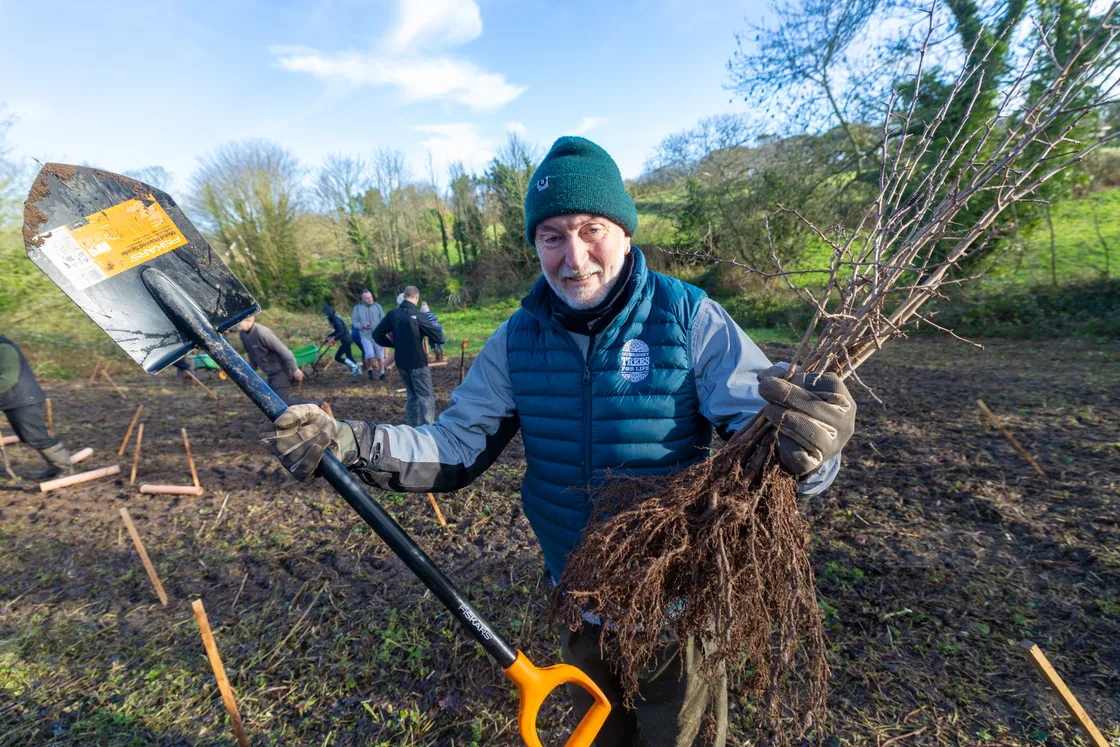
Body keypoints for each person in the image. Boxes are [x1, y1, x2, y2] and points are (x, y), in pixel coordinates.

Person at [266, 136, 856, 746]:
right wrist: (351, 442)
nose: (574, 258)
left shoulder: (689, 319)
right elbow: (455, 445)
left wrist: (815, 455)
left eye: (591, 228)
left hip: (678, 609)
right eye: (552, 236)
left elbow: (772, 447)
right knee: (597, 737)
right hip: (579, 604)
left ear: (625, 232)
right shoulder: (516, 341)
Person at [0, 335, 74, 479]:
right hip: (8, 398)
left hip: (23, 398)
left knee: (34, 436)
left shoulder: (4, 348)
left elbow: (8, 378)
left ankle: (64, 469)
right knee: (27, 436)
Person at [372, 287, 445, 426]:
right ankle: (428, 430)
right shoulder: (418, 316)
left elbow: (377, 335)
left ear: (404, 296)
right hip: (417, 363)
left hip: (401, 363)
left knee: (412, 396)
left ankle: (413, 428)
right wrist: (429, 316)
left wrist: (394, 345)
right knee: (426, 398)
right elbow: (439, 337)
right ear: (416, 297)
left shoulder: (393, 315)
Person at [236, 315, 304, 404]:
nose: (237, 324)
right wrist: (249, 372)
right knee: (274, 402)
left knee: (281, 403)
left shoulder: (262, 333)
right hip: (270, 372)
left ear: (250, 320)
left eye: (239, 321)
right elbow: (251, 353)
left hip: (280, 370)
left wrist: (295, 369)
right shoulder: (243, 334)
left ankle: (318, 406)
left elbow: (284, 351)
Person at [351, 290, 386, 380]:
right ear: (362, 299)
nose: (370, 299)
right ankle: (370, 369)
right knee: (369, 354)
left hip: (377, 335)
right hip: (365, 335)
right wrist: (362, 325)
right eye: (367, 298)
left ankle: (382, 373)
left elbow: (383, 319)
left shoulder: (378, 306)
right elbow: (354, 322)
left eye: (370, 297)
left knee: (380, 355)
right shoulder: (357, 308)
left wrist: (383, 329)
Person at [322, 305, 362, 376]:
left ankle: (354, 367)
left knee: (337, 357)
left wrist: (334, 339)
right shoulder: (333, 319)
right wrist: (329, 336)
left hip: (346, 340)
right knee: (349, 357)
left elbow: (341, 331)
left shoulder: (335, 319)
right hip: (345, 340)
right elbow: (337, 331)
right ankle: (358, 371)